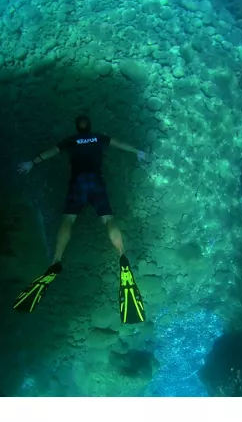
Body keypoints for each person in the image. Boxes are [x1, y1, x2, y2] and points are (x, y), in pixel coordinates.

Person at [12, 115, 148, 324]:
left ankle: (56, 261)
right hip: (96, 183)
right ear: (90, 128)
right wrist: (137, 151)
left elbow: (51, 151)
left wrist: (33, 162)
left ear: (76, 129)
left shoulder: (71, 141)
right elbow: (119, 143)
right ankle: (122, 255)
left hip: (78, 183)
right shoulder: (98, 138)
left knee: (68, 219)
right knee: (108, 219)